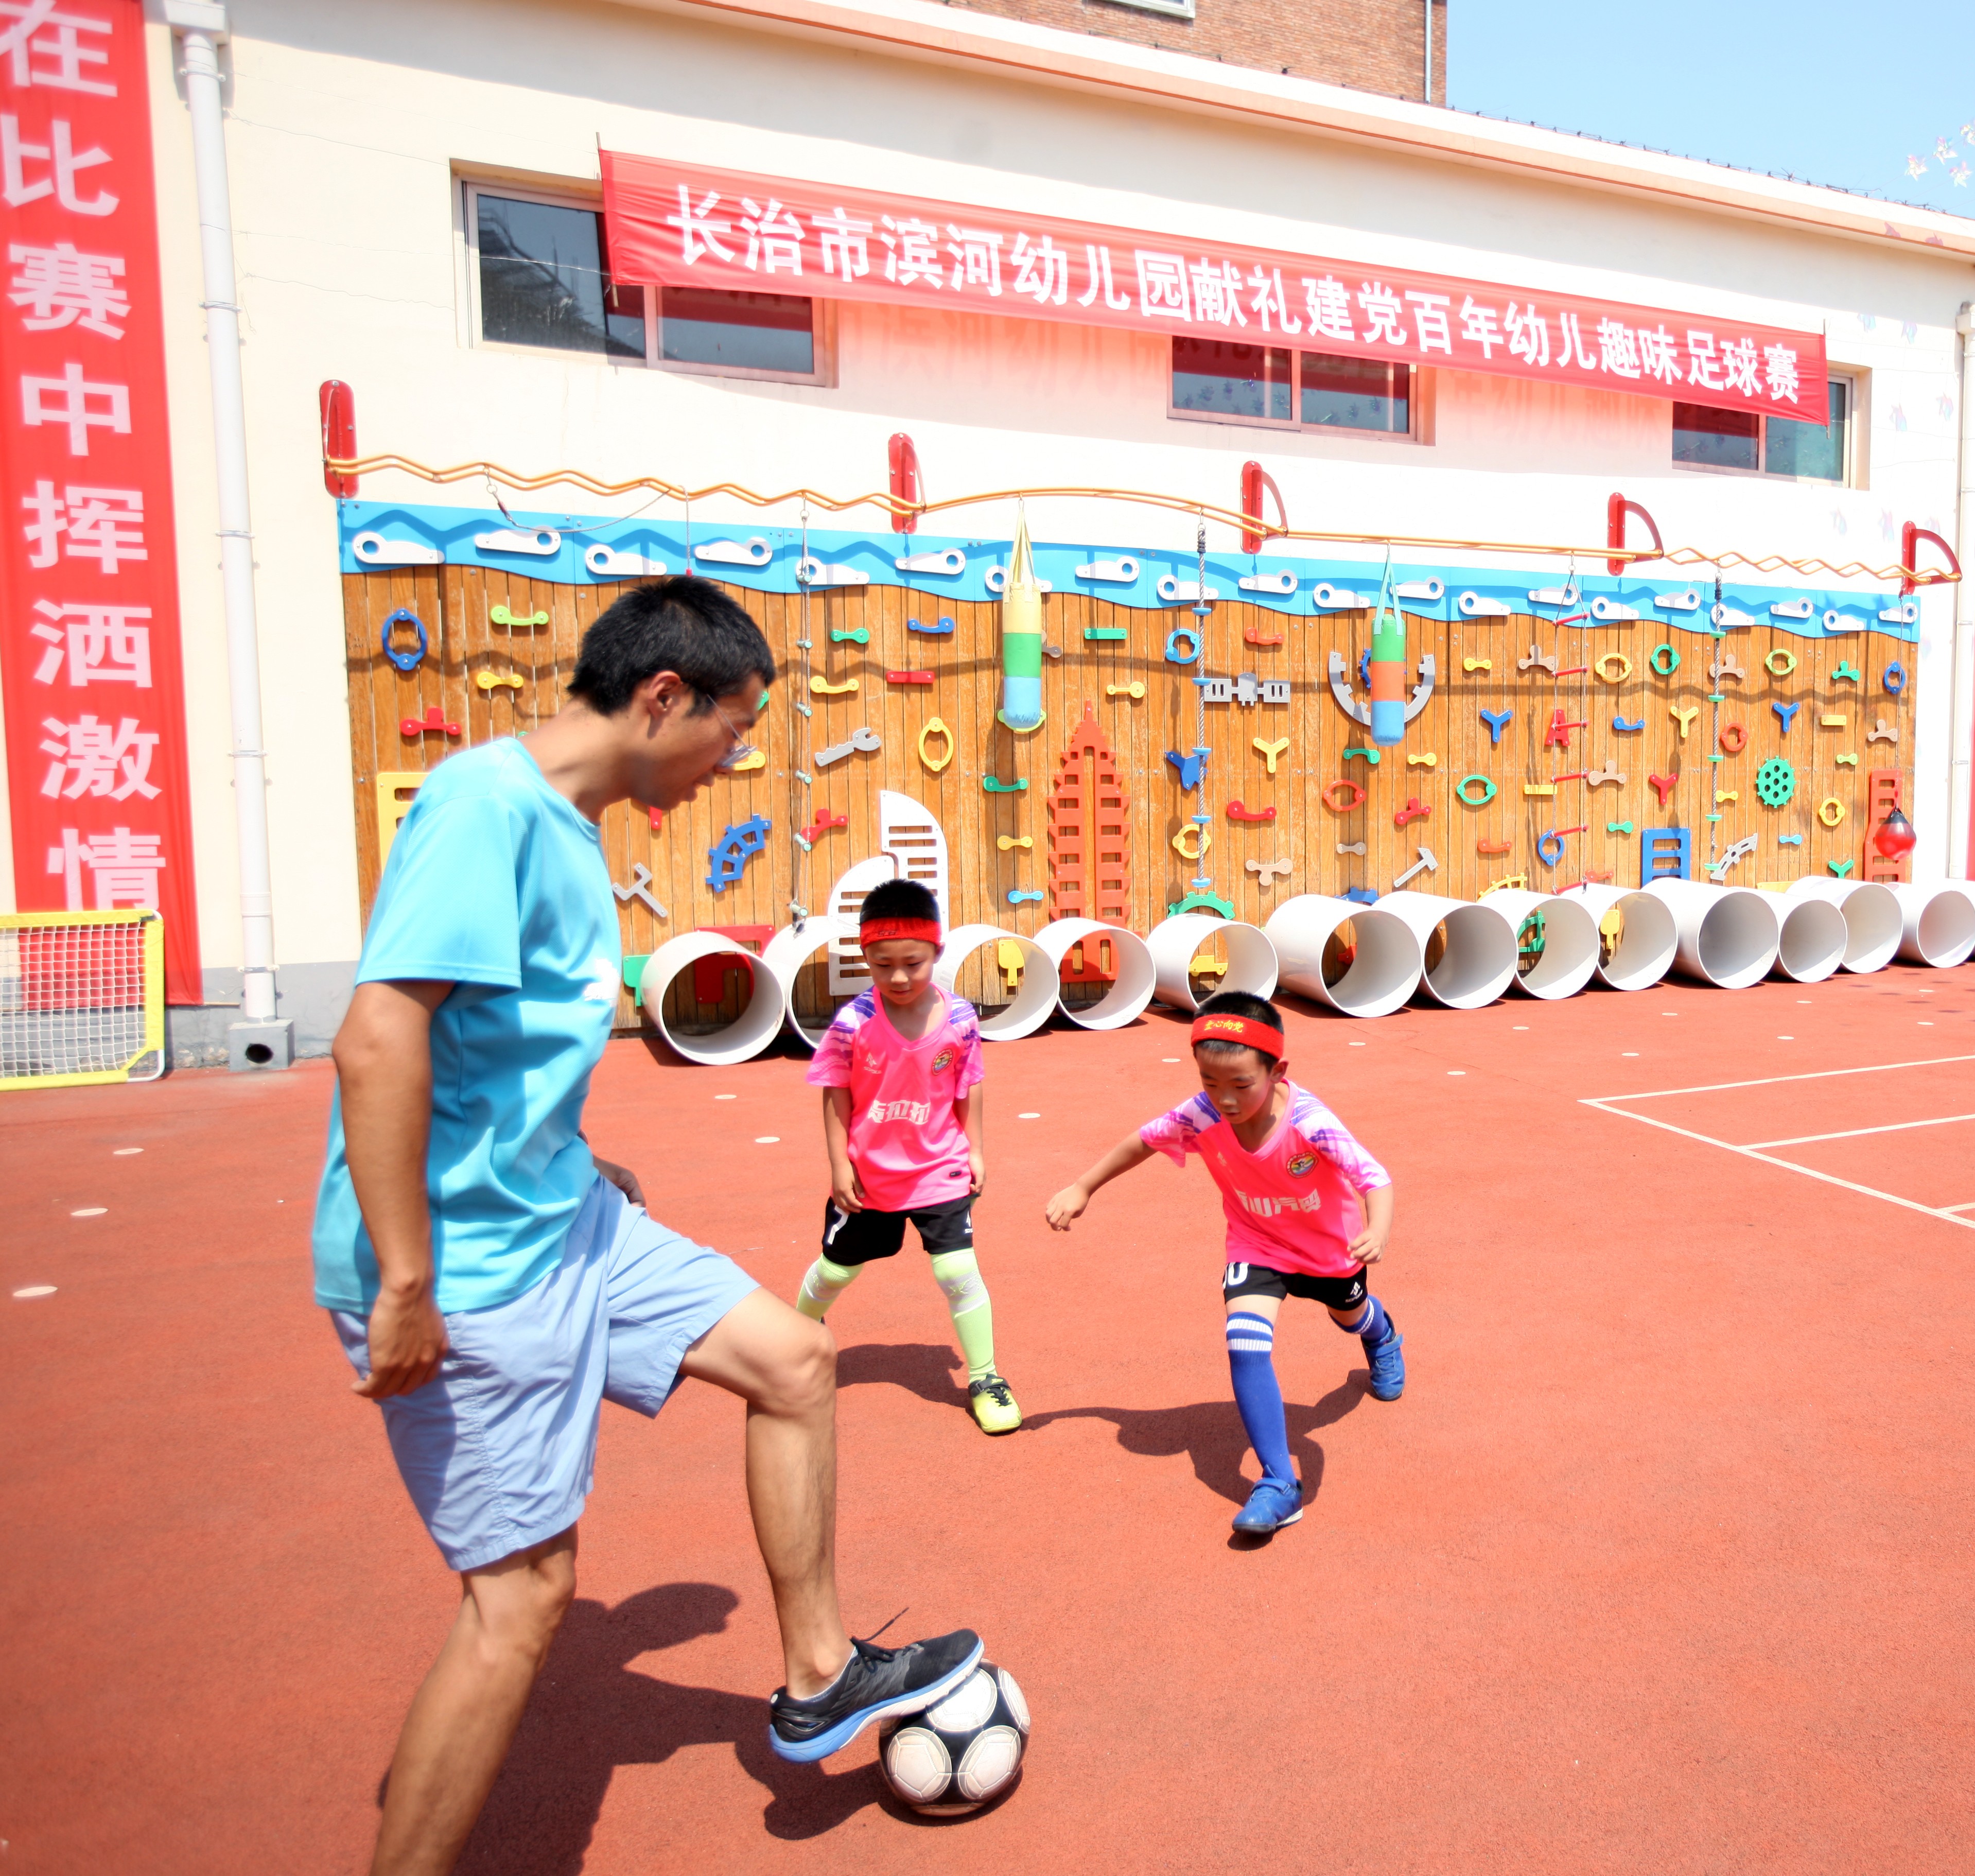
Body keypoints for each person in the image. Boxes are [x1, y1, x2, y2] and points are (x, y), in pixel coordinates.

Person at [314, 577, 978, 1875]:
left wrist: (569, 1152)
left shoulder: (569, 822)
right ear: (661, 695)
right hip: (468, 1267)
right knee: (521, 1603)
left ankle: (818, 1673)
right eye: (728, 731)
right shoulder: (483, 806)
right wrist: (403, 1277)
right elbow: (379, 1032)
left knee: (792, 1358)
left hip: (558, 1213)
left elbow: (480, 1047)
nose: (729, 761)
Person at [1043, 991, 1401, 1537]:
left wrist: (1375, 1229)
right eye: (1210, 1082)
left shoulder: (1311, 1121)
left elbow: (1374, 1176)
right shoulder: (1201, 1113)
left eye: (1240, 1085)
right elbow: (1140, 1142)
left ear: (1276, 1070)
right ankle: (1280, 1483)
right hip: (1255, 1244)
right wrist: (1082, 1185)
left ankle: (1380, 1336)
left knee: (1350, 1315)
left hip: (1330, 1251)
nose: (1224, 1099)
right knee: (1244, 1341)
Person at [794, 877, 1018, 1434]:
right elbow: (834, 1090)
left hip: (940, 1167)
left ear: (936, 953)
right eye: (882, 963)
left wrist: (975, 1148)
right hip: (870, 1176)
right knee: (835, 1270)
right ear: (865, 957)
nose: (897, 976)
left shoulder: (962, 1018)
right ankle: (791, 1337)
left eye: (912, 963)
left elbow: (971, 1084)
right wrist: (839, 1164)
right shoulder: (853, 1023)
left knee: (957, 1268)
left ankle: (986, 1377)